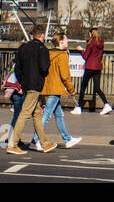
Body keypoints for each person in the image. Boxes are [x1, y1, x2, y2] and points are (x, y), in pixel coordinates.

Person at [6, 25, 55, 155]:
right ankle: (13, 143)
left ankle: (45, 143)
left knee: (37, 113)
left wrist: (22, 82)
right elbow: (45, 68)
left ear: (32, 35)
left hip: (26, 84)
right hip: (36, 84)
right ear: (42, 36)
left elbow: (17, 68)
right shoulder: (42, 49)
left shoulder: (24, 48)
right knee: (26, 113)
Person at [35, 32, 81, 149]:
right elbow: (65, 76)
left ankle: (67, 138)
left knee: (58, 114)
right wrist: (71, 90)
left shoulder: (48, 53)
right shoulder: (62, 55)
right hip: (56, 88)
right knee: (46, 115)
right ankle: (35, 139)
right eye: (66, 40)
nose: (67, 42)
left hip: (48, 87)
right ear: (60, 41)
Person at [79, 28, 111, 114]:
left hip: (90, 67)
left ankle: (79, 106)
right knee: (97, 88)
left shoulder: (90, 43)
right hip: (98, 67)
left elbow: (85, 57)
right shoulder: (101, 43)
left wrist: (81, 50)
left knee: (83, 87)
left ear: (90, 34)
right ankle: (106, 104)